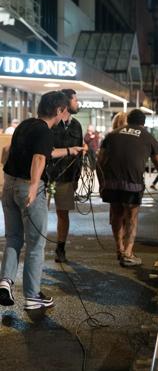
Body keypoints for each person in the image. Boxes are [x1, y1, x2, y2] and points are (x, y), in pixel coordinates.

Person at [0, 91, 84, 310]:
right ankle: (32, 296)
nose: (65, 113)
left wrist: (69, 150)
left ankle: (5, 282)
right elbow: (39, 158)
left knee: (13, 238)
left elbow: (29, 152)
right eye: (64, 109)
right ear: (58, 110)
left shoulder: (25, 125)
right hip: (28, 188)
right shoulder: (45, 131)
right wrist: (34, 187)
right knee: (36, 244)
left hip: (8, 185)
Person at [97, 109, 158, 267]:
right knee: (131, 218)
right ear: (143, 123)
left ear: (128, 120)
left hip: (112, 183)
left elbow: (100, 160)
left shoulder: (112, 134)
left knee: (116, 215)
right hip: (133, 184)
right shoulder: (148, 137)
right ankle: (128, 253)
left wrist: (102, 183)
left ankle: (119, 249)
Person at [48, 89, 83, 263]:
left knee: (63, 214)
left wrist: (76, 177)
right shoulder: (51, 123)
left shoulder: (76, 125)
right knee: (36, 213)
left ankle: (60, 248)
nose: (78, 103)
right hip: (46, 176)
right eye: (76, 100)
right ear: (66, 103)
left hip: (67, 177)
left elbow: (80, 153)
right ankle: (35, 246)